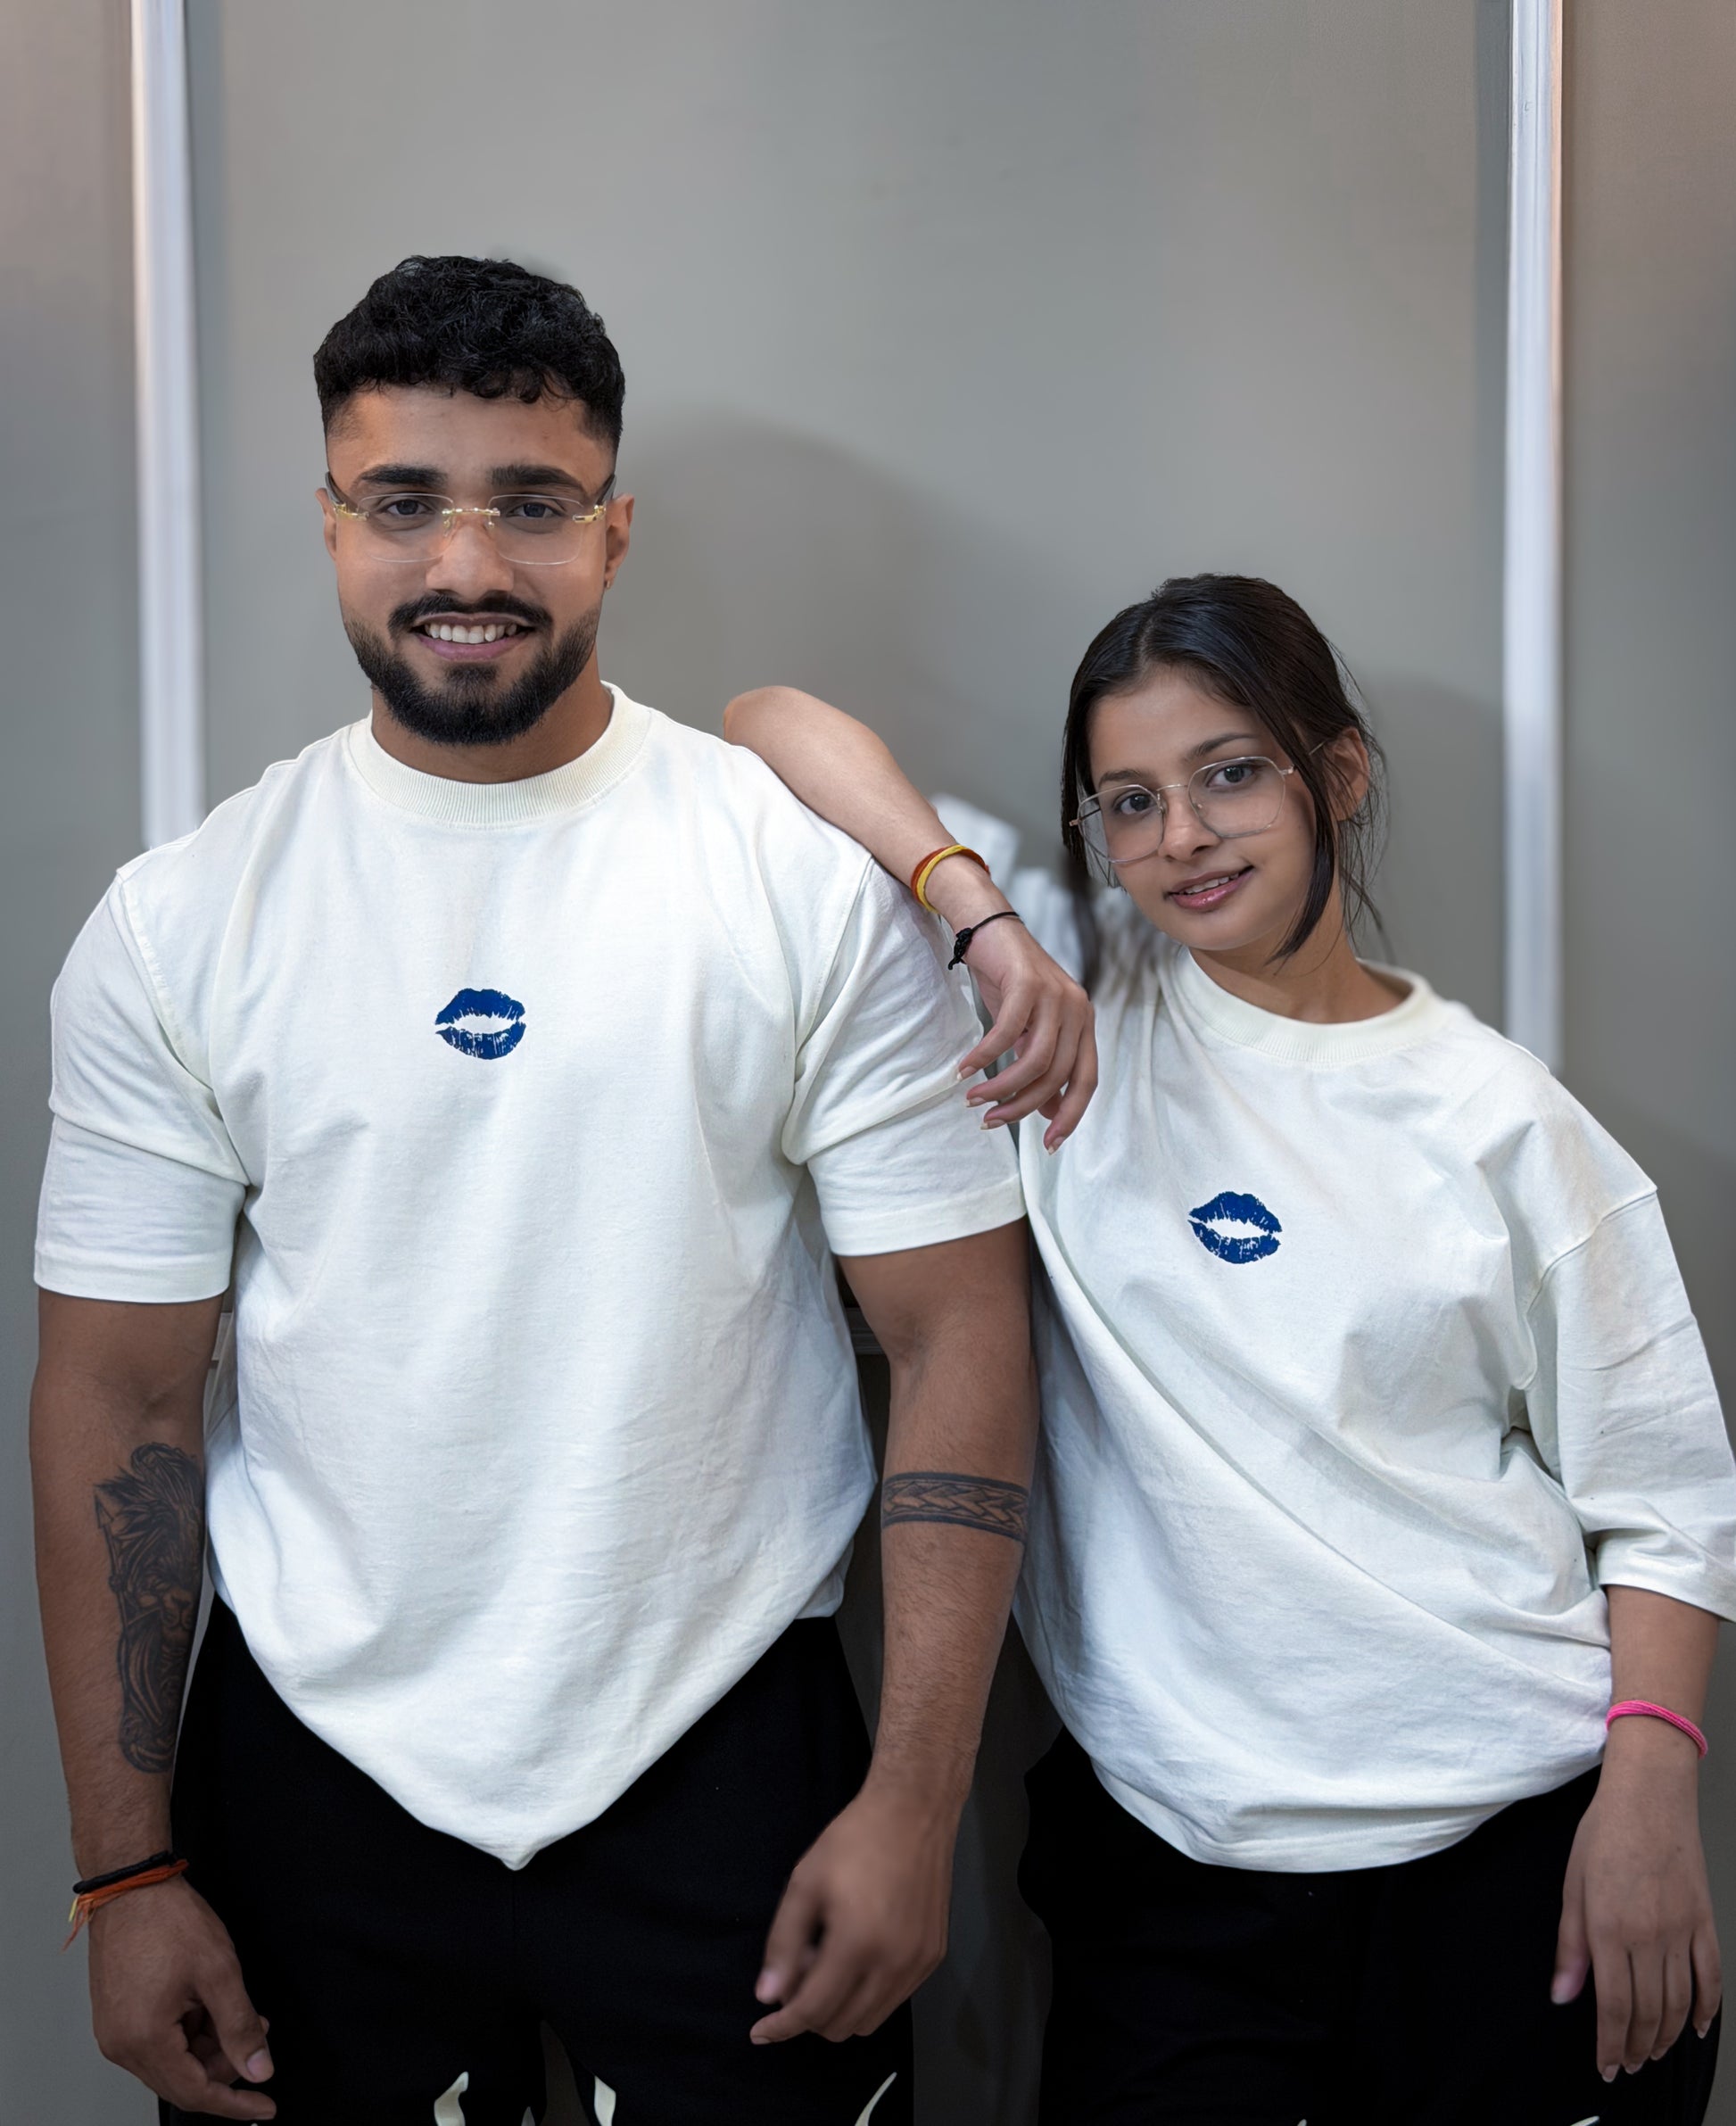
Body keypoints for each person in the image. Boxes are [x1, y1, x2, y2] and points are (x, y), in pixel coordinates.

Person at [30, 254, 1038, 2126]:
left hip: (729, 1742)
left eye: (529, 502)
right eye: (403, 501)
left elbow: (957, 1328)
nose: (464, 562)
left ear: (613, 528)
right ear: (331, 520)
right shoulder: (185, 923)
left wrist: (911, 1803)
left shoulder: (794, 878)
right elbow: (118, 1396)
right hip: (314, 1765)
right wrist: (126, 1865)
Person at [724, 571, 1736, 2123]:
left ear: (1338, 773)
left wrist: (1653, 1794)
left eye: (1229, 774)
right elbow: (767, 722)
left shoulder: (1501, 1120)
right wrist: (982, 917)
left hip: (1511, 1849)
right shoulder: (1067, 1012)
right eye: (1128, 801)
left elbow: (1665, 1499)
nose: (1180, 836)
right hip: (1173, 1876)